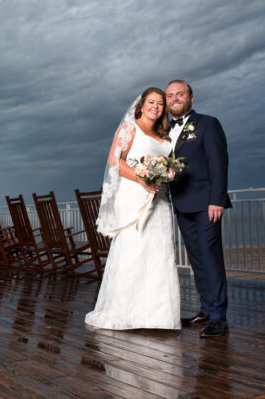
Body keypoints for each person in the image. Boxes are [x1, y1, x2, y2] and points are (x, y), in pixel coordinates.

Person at [85, 87, 181, 330]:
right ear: (141, 104)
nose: (155, 107)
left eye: (160, 104)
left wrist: (166, 173)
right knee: (134, 249)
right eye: (151, 102)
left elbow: (168, 163)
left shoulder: (164, 134)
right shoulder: (130, 127)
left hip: (159, 200)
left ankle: (159, 317)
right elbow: (114, 160)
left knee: (160, 251)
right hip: (133, 195)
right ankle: (124, 314)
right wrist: (141, 178)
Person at [166, 80, 230, 338]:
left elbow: (218, 163)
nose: (175, 98)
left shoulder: (208, 123)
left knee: (211, 258)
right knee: (197, 260)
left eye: (180, 94)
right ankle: (205, 309)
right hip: (182, 204)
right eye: (170, 95)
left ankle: (218, 317)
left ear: (191, 98)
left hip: (206, 204)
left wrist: (217, 199)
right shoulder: (165, 131)